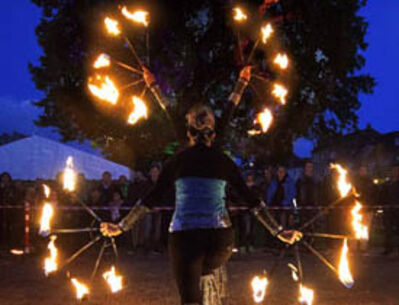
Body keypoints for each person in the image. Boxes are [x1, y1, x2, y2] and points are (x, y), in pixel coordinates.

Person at [101, 96, 302, 305]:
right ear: (213, 135)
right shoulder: (224, 161)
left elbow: (151, 198)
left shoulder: (176, 161)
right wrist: (279, 231)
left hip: (185, 239)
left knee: (190, 297)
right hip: (219, 242)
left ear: (188, 134)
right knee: (208, 272)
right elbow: (252, 200)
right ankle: (210, 286)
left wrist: (121, 226)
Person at [381, 164, 399, 255]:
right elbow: (382, 196)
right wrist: (384, 205)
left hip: (397, 209)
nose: (395, 172)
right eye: (394, 170)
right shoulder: (387, 184)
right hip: (388, 209)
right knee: (388, 229)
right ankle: (388, 248)